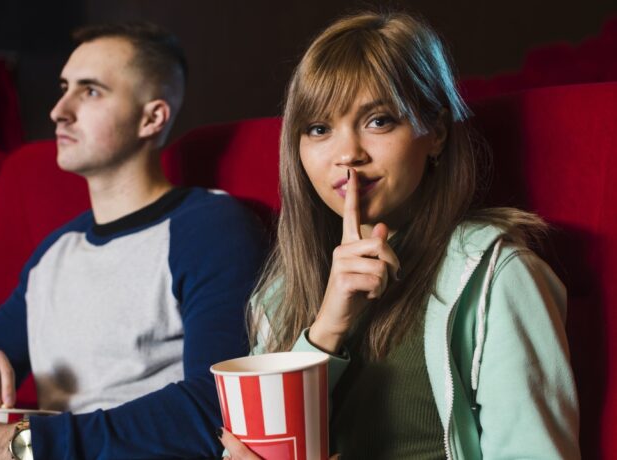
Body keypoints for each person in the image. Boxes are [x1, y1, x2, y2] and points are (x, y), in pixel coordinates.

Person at [219, 11, 580, 460]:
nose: (347, 154)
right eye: (319, 129)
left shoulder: (496, 275)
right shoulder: (277, 297)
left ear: (437, 134)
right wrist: (327, 327)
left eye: (379, 121)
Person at [0, 22, 267, 459]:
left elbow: (217, 407)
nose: (59, 110)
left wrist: (20, 445)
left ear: (152, 117)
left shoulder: (210, 228)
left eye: (90, 91)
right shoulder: (56, 251)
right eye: (64, 87)